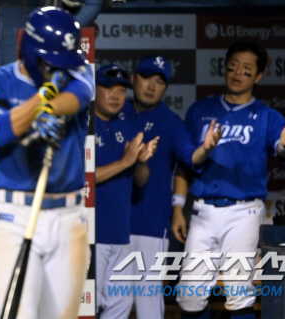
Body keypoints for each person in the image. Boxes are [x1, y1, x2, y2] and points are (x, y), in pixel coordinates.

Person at [0, 6, 94, 319]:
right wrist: (42, 103)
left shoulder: (78, 70)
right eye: (50, 61)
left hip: (70, 218)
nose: (56, 68)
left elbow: (81, 94)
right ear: (29, 49)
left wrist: (51, 106)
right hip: (16, 216)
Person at [172, 41, 285, 319]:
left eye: (247, 69)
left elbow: (283, 147)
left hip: (244, 212)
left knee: (240, 293)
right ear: (224, 68)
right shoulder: (199, 110)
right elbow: (184, 163)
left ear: (258, 76)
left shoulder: (266, 115)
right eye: (232, 67)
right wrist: (178, 207)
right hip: (202, 211)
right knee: (190, 296)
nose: (238, 73)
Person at [119, 56, 221, 318]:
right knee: (110, 305)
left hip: (150, 227)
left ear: (165, 88)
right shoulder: (113, 114)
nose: (151, 86)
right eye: (145, 77)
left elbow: (190, 159)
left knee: (148, 308)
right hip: (109, 226)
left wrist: (205, 149)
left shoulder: (170, 122)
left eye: (159, 81)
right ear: (132, 79)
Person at [91, 64, 157, 319]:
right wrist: (125, 162)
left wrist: (140, 162)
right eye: (108, 88)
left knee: (119, 307)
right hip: (91, 236)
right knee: (86, 308)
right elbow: (80, 179)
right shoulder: (82, 125)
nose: (116, 95)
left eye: (121, 89)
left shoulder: (128, 127)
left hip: (121, 235)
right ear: (94, 89)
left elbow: (140, 181)